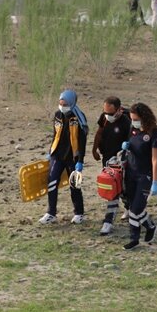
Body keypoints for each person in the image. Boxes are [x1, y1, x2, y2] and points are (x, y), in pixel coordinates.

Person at [39, 90, 88, 225]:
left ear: (72, 103)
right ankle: (51, 213)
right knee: (52, 181)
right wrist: (51, 152)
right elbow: (55, 134)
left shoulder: (78, 119)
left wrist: (80, 161)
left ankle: (79, 213)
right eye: (60, 103)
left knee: (74, 185)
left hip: (72, 157)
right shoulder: (58, 115)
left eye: (65, 104)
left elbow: (82, 141)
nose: (62, 106)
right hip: (58, 155)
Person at [122, 102, 157, 250]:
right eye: (132, 119)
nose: (134, 122)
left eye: (136, 119)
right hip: (130, 172)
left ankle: (134, 239)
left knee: (136, 209)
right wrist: (126, 146)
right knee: (132, 206)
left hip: (144, 175)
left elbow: (155, 159)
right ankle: (150, 226)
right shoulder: (133, 129)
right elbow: (130, 145)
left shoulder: (153, 133)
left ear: (144, 118)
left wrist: (155, 181)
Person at [91, 96, 132, 236]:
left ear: (119, 110)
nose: (107, 116)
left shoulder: (126, 122)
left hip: (120, 160)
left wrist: (124, 155)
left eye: (110, 113)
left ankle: (112, 219)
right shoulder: (104, 118)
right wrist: (94, 149)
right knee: (114, 190)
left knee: (119, 189)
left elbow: (131, 141)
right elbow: (99, 132)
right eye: (105, 112)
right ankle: (117, 215)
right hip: (107, 158)